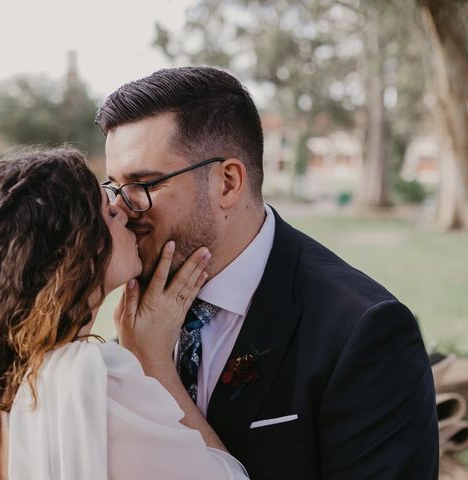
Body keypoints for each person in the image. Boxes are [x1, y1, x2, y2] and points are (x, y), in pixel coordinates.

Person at [96, 66, 439, 479]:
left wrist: (155, 369)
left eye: (144, 184)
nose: (120, 207)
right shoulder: (139, 313)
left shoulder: (363, 331)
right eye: (114, 186)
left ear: (227, 182)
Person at [0, 146, 249, 480]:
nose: (123, 211)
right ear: (72, 252)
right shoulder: (93, 385)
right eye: (106, 210)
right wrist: (153, 360)